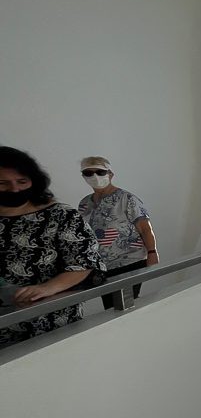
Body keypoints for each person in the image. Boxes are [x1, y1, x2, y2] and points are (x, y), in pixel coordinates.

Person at [1, 147, 103, 346]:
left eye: (22, 181)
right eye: (2, 183)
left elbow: (83, 261)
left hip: (50, 323)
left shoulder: (60, 216)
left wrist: (48, 288)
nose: (14, 189)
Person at [77, 156, 159, 310]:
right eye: (88, 173)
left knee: (125, 305)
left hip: (130, 261)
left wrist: (152, 252)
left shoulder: (126, 199)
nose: (94, 176)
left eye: (100, 172)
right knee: (110, 308)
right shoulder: (84, 204)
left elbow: (145, 227)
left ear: (110, 174)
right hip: (102, 266)